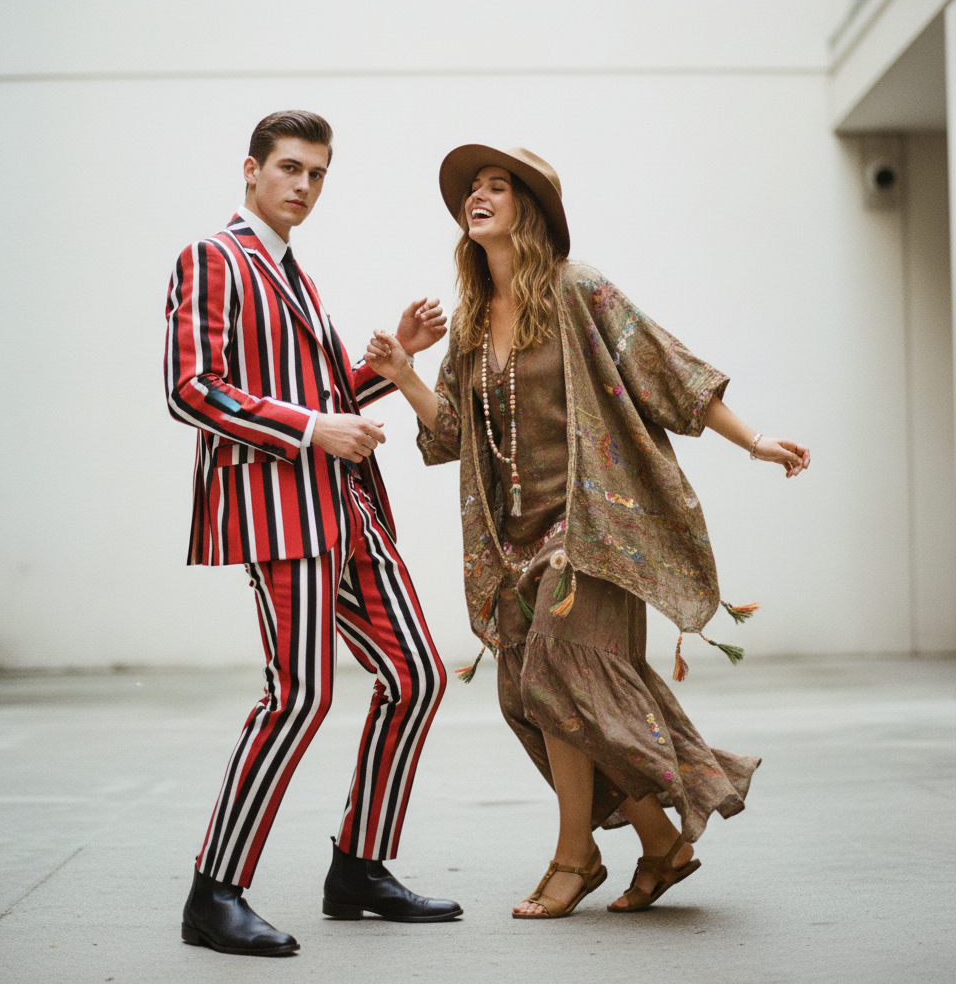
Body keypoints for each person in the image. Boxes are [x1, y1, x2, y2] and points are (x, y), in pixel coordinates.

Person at [364, 144, 810, 920]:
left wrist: (755, 441)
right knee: (538, 694)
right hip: (514, 546)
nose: (478, 196)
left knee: (555, 673)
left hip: (594, 533)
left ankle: (575, 858)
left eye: (496, 186)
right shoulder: (470, 321)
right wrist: (404, 375)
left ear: (528, 211)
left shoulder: (579, 289)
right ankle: (661, 844)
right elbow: (450, 443)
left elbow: (665, 368)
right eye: (472, 188)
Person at [163, 111, 462, 957]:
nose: (304, 186)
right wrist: (308, 430)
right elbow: (191, 388)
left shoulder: (294, 271)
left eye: (318, 174)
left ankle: (358, 868)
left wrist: (388, 362)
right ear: (251, 170)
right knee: (298, 697)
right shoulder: (213, 258)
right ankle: (213, 892)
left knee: (417, 676)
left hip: (349, 511)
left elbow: (324, 396)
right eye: (290, 168)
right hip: (282, 515)